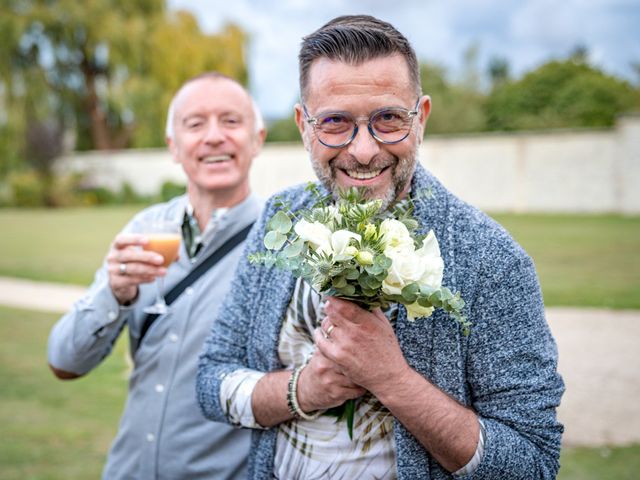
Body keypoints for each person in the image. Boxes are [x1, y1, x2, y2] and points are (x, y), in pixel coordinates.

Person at [197, 15, 564, 480]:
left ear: (422, 117)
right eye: (335, 122)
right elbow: (211, 380)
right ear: (304, 125)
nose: (365, 150)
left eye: (388, 118)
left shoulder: (491, 259)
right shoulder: (279, 219)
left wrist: (391, 378)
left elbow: (532, 464)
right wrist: (304, 390)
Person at [48, 72, 265, 479]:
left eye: (231, 121)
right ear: (173, 147)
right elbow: (63, 361)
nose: (214, 136)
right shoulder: (143, 230)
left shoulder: (280, 243)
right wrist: (114, 294)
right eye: (195, 124)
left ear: (258, 139)